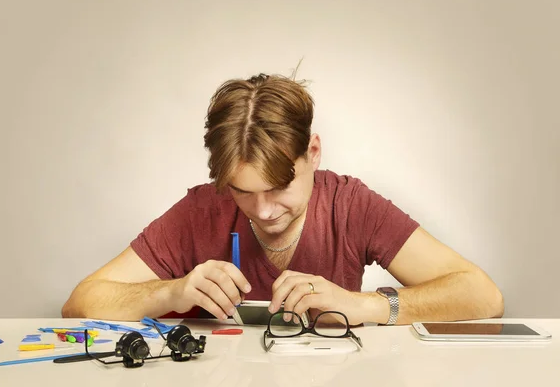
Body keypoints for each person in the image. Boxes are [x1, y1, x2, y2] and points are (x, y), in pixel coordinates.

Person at [62, 72, 504, 326]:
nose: (264, 211)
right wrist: (171, 292)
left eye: (280, 188)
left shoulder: (351, 205)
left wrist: (364, 305)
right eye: (243, 193)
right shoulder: (201, 209)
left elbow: (482, 296)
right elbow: (80, 304)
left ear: (312, 153)